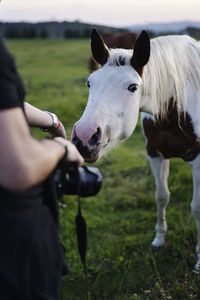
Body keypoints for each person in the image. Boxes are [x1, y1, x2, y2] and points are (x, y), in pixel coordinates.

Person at [0, 34, 84, 299]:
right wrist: (61, 148)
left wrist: (51, 120)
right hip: (13, 253)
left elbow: (7, 102)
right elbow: (18, 169)